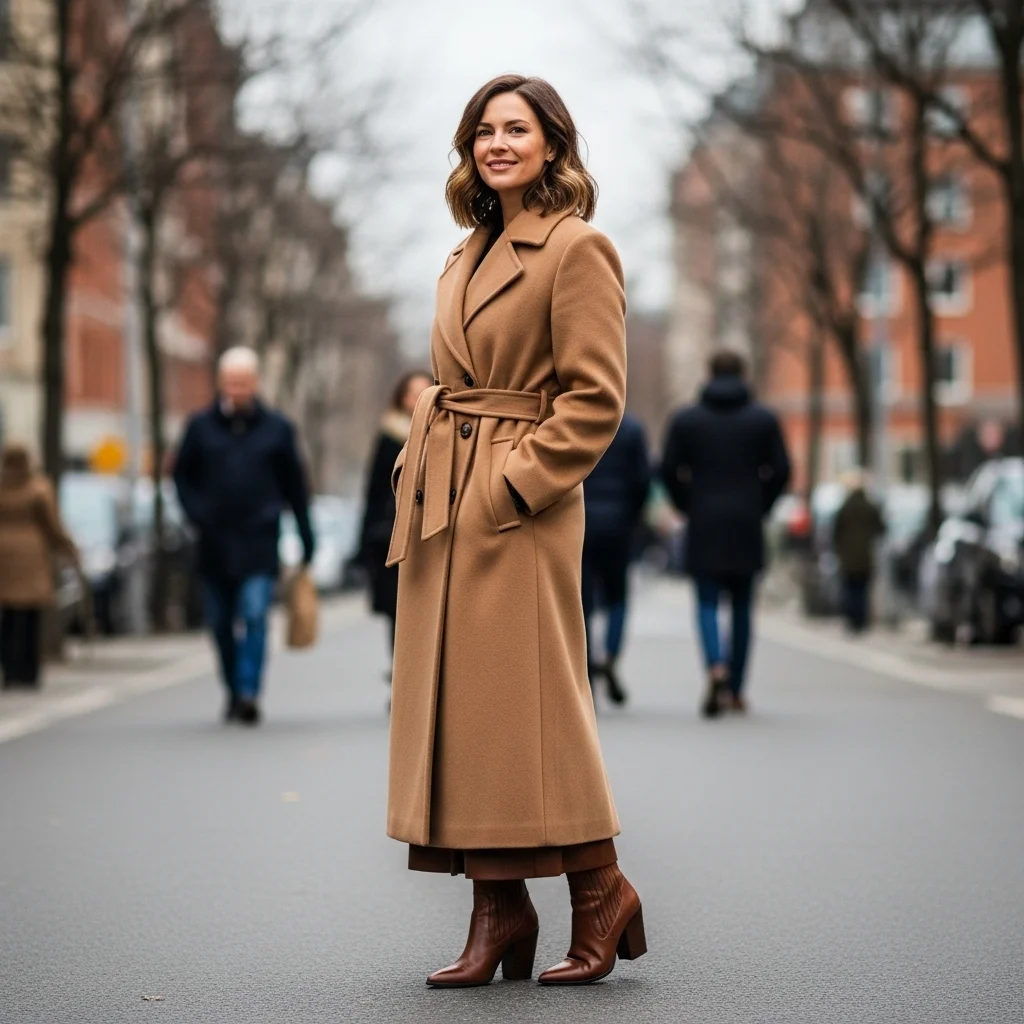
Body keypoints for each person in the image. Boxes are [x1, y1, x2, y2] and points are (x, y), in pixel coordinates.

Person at [385, 74, 646, 988]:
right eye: (483, 131)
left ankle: (599, 890)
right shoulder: (465, 253)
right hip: (445, 506)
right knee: (473, 719)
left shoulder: (576, 249)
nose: (497, 144)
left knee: (540, 710)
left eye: (516, 130)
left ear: (551, 146)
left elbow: (596, 399)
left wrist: (511, 487)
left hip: (512, 508)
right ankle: (498, 911)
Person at [172, 347, 315, 725]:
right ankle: (233, 688)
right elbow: (182, 477)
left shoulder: (278, 429)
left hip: (259, 541)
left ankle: (250, 691)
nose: (237, 389)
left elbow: (295, 487)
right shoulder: (200, 427)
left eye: (244, 382)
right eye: (231, 382)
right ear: (222, 383)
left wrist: (305, 535)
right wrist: (197, 514)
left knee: (254, 615)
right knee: (220, 622)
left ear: (255, 384)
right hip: (214, 543)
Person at [660, 350, 791, 717]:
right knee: (742, 607)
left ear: (708, 373)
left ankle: (715, 665)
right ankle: (735, 689)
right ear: (744, 374)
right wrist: (761, 503)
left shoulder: (686, 420)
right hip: (747, 522)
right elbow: (781, 469)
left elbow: (668, 468)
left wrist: (687, 503)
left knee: (705, 602)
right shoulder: (763, 420)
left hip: (703, 522)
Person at [357, 370, 433, 677]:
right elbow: (373, 492)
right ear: (401, 398)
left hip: (432, 534)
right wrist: (366, 541)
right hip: (394, 535)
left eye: (423, 391)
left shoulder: (447, 432)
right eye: (411, 393)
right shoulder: (389, 437)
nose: (416, 399)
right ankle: (404, 678)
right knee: (398, 612)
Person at [582, 412, 650, 705]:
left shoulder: (578, 422)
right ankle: (610, 654)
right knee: (618, 597)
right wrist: (632, 517)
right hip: (619, 526)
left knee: (581, 600)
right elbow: (643, 480)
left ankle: (586, 668)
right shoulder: (633, 429)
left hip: (581, 523)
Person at [0, 443, 79, 688]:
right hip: (32, 555)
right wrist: (68, 548)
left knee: (8, 617)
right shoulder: (38, 487)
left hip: (3, 555)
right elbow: (53, 525)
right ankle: (29, 670)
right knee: (30, 617)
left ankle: (10, 670)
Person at [833, 468, 885, 634]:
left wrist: (839, 549)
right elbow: (882, 529)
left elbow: (836, 531)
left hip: (848, 556)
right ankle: (860, 621)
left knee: (850, 588)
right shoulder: (870, 508)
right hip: (865, 556)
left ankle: (851, 619)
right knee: (861, 590)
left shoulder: (845, 508)